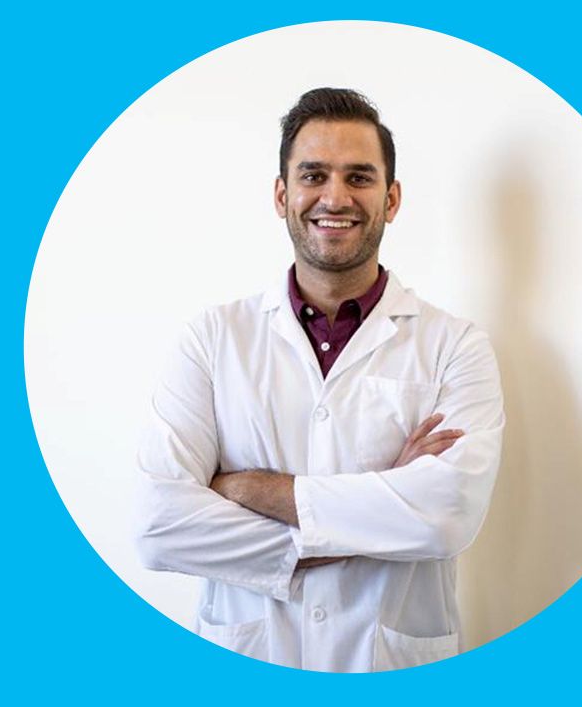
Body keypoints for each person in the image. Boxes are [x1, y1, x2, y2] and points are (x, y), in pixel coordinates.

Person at [134, 88, 505, 672]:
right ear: (282, 195)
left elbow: (448, 514)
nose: (335, 197)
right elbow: (160, 525)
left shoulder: (455, 346)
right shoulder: (211, 339)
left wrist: (245, 489)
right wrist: (384, 502)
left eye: (359, 177)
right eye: (313, 175)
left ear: (391, 198)